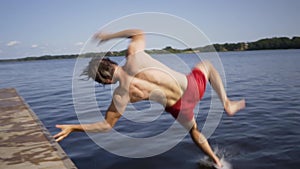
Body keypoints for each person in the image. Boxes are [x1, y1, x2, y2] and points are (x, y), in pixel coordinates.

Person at [54, 29, 245, 168]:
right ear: (111, 63)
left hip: (178, 107)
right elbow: (137, 33)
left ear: (106, 82)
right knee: (208, 65)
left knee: (193, 130)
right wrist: (107, 36)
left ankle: (216, 162)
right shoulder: (134, 56)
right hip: (191, 88)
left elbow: (106, 126)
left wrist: (74, 127)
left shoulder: (121, 95)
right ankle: (226, 103)